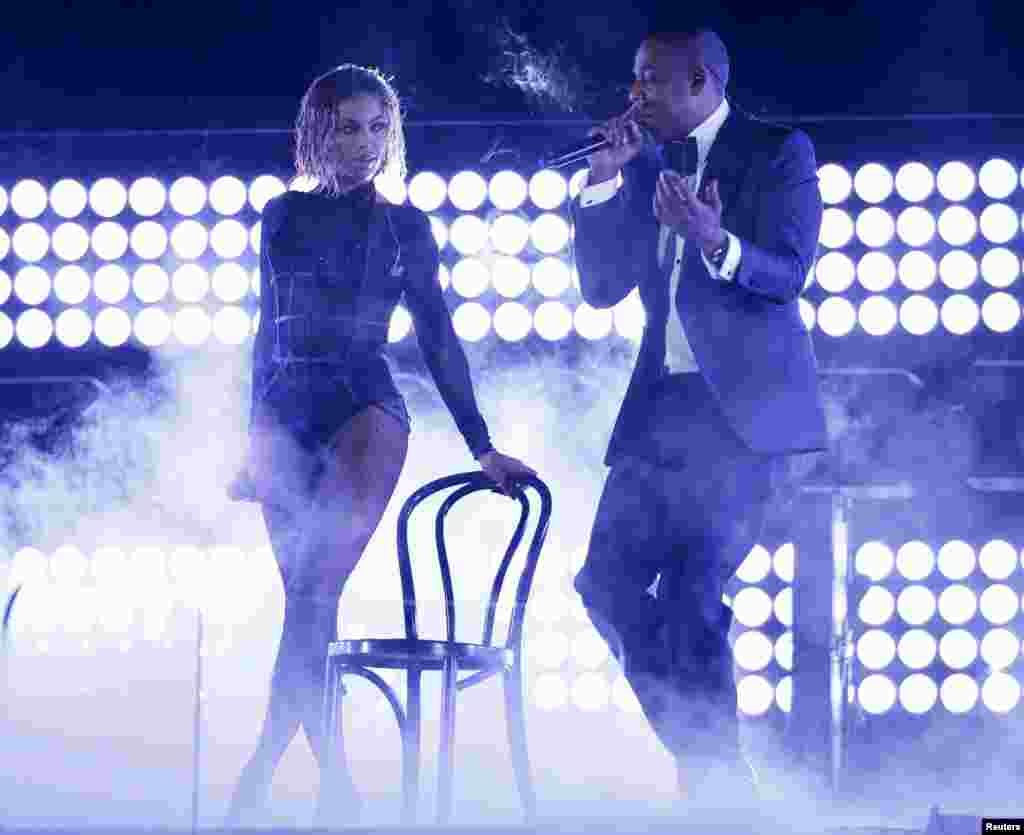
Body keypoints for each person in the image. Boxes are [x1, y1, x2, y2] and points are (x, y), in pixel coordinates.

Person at [225, 63, 535, 825]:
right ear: (315, 130)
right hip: (282, 416)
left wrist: (481, 445)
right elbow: (267, 334)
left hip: (366, 409)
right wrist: (248, 437)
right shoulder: (279, 215)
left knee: (311, 594)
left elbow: (438, 338)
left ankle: (257, 778)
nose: (363, 144)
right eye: (347, 126)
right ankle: (339, 790)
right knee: (306, 603)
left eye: (377, 128)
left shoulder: (406, 226)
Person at [570, 29, 827, 805]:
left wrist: (714, 239)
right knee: (604, 585)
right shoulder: (644, 159)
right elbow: (601, 287)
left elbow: (787, 273)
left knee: (689, 599)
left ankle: (715, 790)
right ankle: (716, 768)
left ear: (702, 81)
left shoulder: (780, 151)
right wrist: (603, 184)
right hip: (660, 414)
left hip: (739, 420)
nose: (636, 93)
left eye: (652, 80)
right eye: (635, 78)